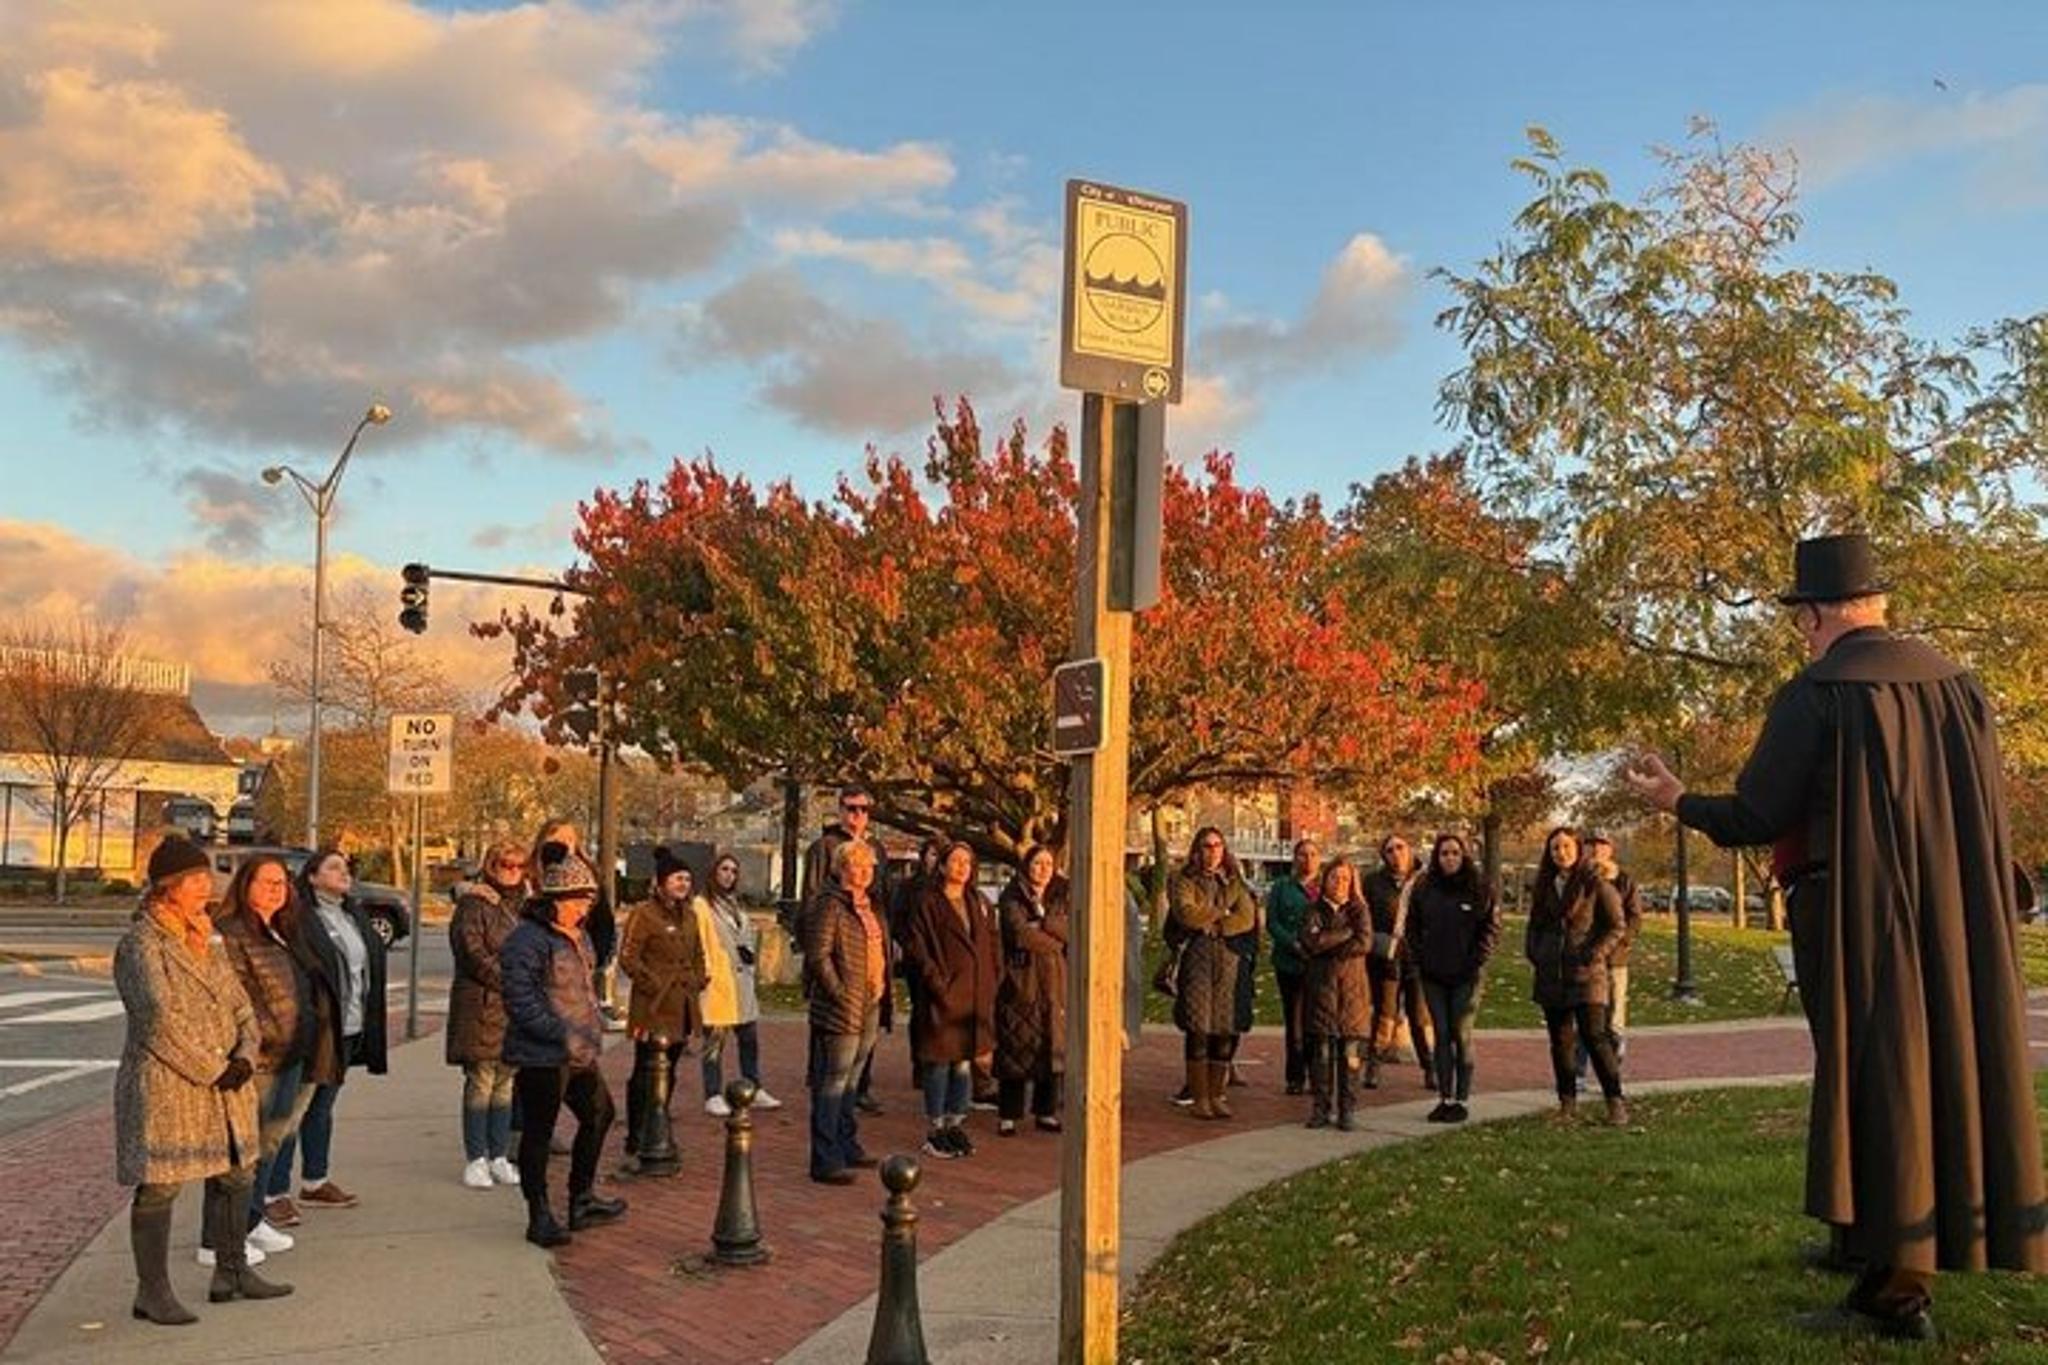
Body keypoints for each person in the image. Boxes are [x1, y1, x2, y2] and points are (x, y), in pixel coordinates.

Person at [1625, 532, 2047, 1341]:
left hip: (1854, 919)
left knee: (1877, 1080)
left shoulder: (1817, 693)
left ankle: (1898, 1293)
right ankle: (1869, 1238)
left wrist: (1676, 799)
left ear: (1817, 614)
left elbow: (1756, 813)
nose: (1804, 635)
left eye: (1803, 620)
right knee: (1924, 1073)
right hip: (1952, 920)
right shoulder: (1960, 690)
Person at [117, 837, 290, 1325]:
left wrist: (243, 1053)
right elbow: (156, 1022)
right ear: (167, 888)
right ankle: (152, 1292)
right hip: (171, 1085)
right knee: (161, 1185)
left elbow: (239, 1003)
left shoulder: (206, 936)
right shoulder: (141, 944)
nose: (205, 886)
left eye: (206, 876)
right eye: (194, 880)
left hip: (227, 1080)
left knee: (237, 1171)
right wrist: (215, 1069)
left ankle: (231, 1271)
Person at [501, 841, 626, 1247]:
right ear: (556, 899)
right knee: (539, 1132)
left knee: (600, 1114)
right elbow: (521, 999)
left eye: (588, 901)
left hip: (580, 1052)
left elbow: (586, 988)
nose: (583, 910)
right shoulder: (528, 939)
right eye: (577, 902)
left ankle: (582, 1197)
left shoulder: (578, 937)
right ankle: (538, 1213)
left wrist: (590, 1030)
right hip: (543, 1054)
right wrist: (562, 1033)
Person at [202, 854, 313, 1266]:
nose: (275, 889)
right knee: (239, 1151)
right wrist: (259, 1041)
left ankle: (250, 1220)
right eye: (266, 882)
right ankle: (216, 1238)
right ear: (245, 885)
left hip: (290, 1054)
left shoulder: (280, 930)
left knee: (269, 1144)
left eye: (281, 883)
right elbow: (237, 998)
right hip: (259, 1058)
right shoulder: (231, 933)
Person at [268, 848, 388, 1214]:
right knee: (294, 1108)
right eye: (333, 867)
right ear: (313, 877)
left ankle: (315, 1181)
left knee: (323, 1105)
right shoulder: (303, 918)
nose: (344, 873)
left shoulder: (353, 914)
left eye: (346, 867)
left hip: (348, 1027)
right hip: (317, 1028)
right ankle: (274, 1192)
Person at [1523, 826, 1627, 1125]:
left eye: (1566, 846)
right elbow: (1535, 926)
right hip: (1551, 975)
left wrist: (1593, 955)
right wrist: (1536, 952)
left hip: (1587, 974)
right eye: (1555, 848)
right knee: (1560, 1042)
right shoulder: (1544, 886)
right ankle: (1567, 1104)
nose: (1561, 852)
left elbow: (1616, 926)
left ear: (1577, 849)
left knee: (1596, 1038)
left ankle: (1615, 1101)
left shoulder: (1595, 884)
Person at [801, 839, 892, 1184]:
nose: (865, 872)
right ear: (841, 869)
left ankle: (846, 1142)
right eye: (857, 865)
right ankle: (825, 1157)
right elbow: (818, 954)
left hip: (870, 1000)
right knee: (833, 1081)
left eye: (869, 866)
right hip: (842, 1005)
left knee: (853, 1079)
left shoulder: (871, 905)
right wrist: (838, 992)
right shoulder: (829, 905)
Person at [903, 841, 1000, 1159]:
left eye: (967, 862)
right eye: (955, 861)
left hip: (975, 995)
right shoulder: (928, 902)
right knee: (939, 1063)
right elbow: (917, 946)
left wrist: (992, 978)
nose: (961, 867)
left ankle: (956, 1121)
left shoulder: (979, 902)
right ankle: (936, 1126)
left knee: (963, 1062)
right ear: (942, 866)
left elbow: (992, 944)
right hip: (942, 995)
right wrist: (937, 982)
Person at [800, 785, 892, 1115]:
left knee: (859, 1054)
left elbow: (882, 902)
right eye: (851, 808)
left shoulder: (876, 849)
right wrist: (833, 984)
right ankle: (828, 1119)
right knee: (833, 1060)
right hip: (838, 967)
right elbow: (811, 909)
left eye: (864, 809)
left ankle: (855, 1100)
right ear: (840, 810)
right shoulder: (825, 848)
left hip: (869, 973)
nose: (858, 815)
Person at [1404, 833, 1501, 1123]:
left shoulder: (1480, 888)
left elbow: (1491, 929)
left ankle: (1462, 1097)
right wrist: (1420, 958)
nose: (1450, 858)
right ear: (1437, 856)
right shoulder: (1424, 888)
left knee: (1462, 1033)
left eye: (1455, 853)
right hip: (1433, 973)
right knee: (1442, 1035)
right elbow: (1412, 926)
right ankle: (1444, 1097)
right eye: (1444, 853)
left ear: (1464, 856)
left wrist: (1475, 961)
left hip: (1467, 975)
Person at [446, 841, 528, 1189]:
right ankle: (476, 1157)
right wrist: (512, 978)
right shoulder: (474, 904)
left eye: (517, 865)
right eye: (503, 864)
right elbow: (471, 952)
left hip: (514, 1009)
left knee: (505, 1085)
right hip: (482, 1004)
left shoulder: (525, 906)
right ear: (490, 866)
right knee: (480, 1082)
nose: (511, 870)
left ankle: (498, 1155)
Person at [618, 847, 708, 1157]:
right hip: (653, 1006)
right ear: (660, 883)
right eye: (676, 879)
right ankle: (637, 1132)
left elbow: (698, 954)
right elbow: (628, 957)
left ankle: (658, 1123)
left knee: (670, 1069)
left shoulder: (692, 916)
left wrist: (699, 979)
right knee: (646, 1067)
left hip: (683, 1004)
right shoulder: (644, 915)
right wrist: (652, 983)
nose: (683, 884)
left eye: (686, 878)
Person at [1167, 828, 1258, 1121]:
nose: (1213, 851)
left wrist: (1216, 924)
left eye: (1218, 845)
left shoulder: (1235, 881)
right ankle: (1199, 1096)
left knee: (1225, 1027)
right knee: (1199, 1028)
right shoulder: (1184, 880)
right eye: (1207, 846)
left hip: (1229, 962)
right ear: (1197, 849)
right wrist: (1222, 911)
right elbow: (1186, 913)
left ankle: (1218, 1094)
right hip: (1197, 960)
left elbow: (1246, 918)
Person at [993, 844, 1068, 1137]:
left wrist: (1045, 922)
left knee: (1050, 1045)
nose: (1043, 869)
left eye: (1048, 863)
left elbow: (1070, 930)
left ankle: (1045, 1110)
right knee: (1016, 1044)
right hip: (1021, 979)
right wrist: (1053, 938)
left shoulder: (1062, 894)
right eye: (1037, 863)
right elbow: (1020, 934)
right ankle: (1009, 1113)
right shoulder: (1012, 896)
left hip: (1055, 981)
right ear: (1027, 866)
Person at [698, 852, 780, 1115]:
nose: (729, 875)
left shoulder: (735, 903)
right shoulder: (702, 905)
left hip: (742, 980)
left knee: (749, 1039)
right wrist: (706, 972)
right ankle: (712, 1092)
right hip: (718, 981)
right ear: (714, 872)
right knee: (715, 1041)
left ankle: (754, 1086)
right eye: (724, 869)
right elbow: (700, 941)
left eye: (734, 871)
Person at [1299, 858, 1372, 1131]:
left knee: (1350, 1055)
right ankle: (1321, 1107)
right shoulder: (1312, 911)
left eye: (1345, 878)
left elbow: (1364, 942)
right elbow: (1311, 942)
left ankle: (1347, 1109)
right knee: (1322, 1053)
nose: (1339, 883)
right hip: (1321, 991)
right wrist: (1345, 935)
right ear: (1325, 880)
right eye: (1334, 877)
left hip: (1352, 994)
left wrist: (1329, 941)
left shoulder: (1359, 911)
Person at [1361, 835, 1435, 1088]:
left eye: (1400, 847)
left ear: (1410, 849)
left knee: (1420, 1016)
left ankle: (1430, 1067)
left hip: (1418, 960)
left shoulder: (1427, 881)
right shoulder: (1372, 883)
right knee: (1385, 1014)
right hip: (1386, 958)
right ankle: (1373, 1065)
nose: (1396, 854)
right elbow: (1364, 920)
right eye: (1389, 850)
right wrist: (1381, 944)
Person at [531, 820, 618, 1027]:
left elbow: (603, 923)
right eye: (557, 839)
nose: (564, 845)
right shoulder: (531, 875)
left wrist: (595, 960)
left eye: (569, 839)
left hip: (578, 970)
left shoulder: (588, 874)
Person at [1575, 833, 1641, 1077]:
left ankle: (1612, 1073)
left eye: (1601, 846)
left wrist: (1616, 943)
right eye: (1591, 846)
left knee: (1612, 1020)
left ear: (1610, 851)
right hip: (1585, 959)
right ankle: (1579, 1072)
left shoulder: (1624, 881)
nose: (1596, 851)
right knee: (1585, 1017)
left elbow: (1634, 919)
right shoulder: (1580, 879)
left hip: (1615, 961)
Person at [1265, 840, 1318, 1096]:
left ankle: (1317, 1072)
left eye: (1312, 854)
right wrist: (1292, 943)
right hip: (1290, 963)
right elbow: (1272, 923)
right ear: (1294, 858)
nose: (1307, 859)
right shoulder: (1281, 887)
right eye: (1302, 854)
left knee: (1316, 1023)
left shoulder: (1325, 886)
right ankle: (1295, 1076)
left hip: (1319, 964)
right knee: (1295, 1023)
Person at [891, 838, 944, 1090]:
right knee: (921, 1012)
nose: (935, 859)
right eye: (932, 854)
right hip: (918, 959)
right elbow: (898, 921)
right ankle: (920, 1064)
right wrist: (909, 946)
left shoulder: (951, 887)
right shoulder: (910, 887)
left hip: (947, 960)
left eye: (940, 855)